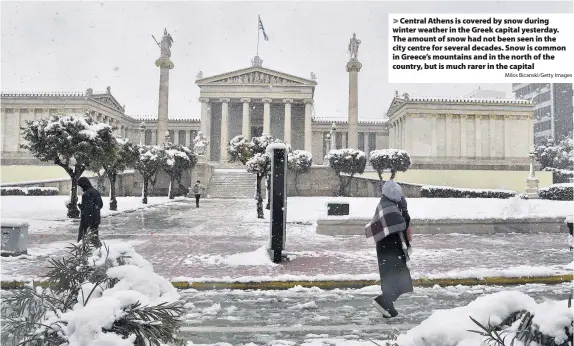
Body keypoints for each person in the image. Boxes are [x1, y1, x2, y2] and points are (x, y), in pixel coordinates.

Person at [365, 179, 413, 318]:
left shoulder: (387, 203)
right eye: (398, 192)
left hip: (388, 246)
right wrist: (404, 209)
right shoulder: (389, 206)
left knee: (393, 277)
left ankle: (387, 305)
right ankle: (384, 301)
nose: (400, 195)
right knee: (399, 277)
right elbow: (403, 223)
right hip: (390, 247)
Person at [77, 177, 103, 247]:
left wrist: (82, 208)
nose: (81, 188)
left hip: (87, 221)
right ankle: (100, 251)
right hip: (96, 219)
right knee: (94, 237)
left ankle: (84, 255)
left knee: (82, 239)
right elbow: (100, 205)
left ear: (83, 185)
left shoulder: (86, 194)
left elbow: (88, 210)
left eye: (80, 186)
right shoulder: (96, 192)